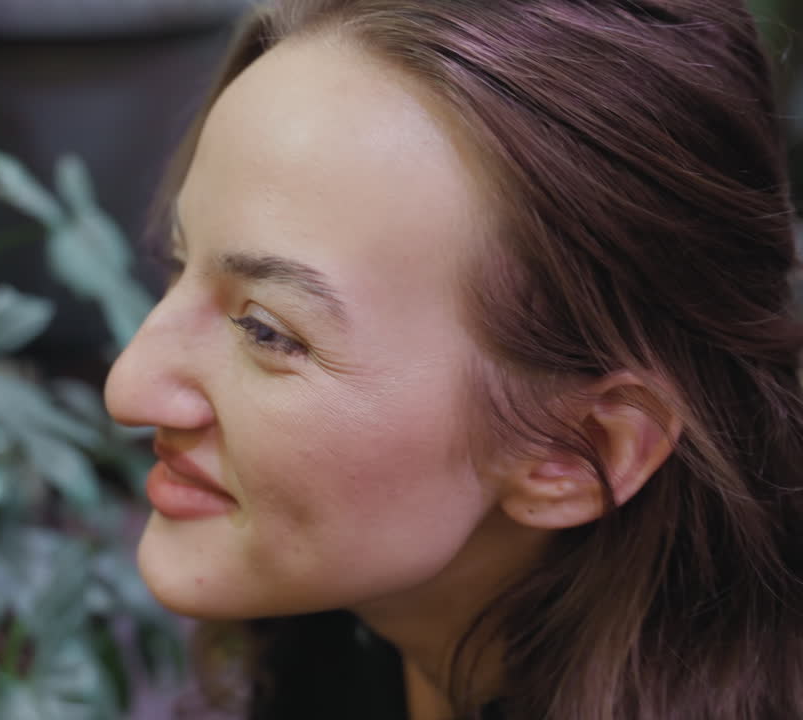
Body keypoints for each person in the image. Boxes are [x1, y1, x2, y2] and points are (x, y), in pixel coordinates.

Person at [102, 1, 803, 718]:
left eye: (268, 332)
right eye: (178, 259)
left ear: (576, 449)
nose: (129, 387)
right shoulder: (332, 650)